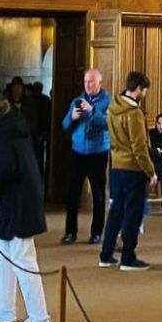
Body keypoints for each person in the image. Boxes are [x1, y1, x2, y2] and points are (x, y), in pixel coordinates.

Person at [0, 94, 50, 322]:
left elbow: (5, 169)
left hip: (19, 202)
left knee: (23, 258)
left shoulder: (0, 134)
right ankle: (6, 308)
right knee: (3, 252)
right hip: (19, 199)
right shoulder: (18, 126)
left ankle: (39, 318)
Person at [100, 71, 154, 271]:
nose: (145, 95)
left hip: (116, 165)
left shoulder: (113, 107)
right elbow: (139, 147)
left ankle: (106, 255)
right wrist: (150, 171)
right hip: (133, 169)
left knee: (116, 211)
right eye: (145, 91)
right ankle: (128, 258)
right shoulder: (134, 113)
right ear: (138, 89)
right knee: (133, 214)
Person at [61, 69, 110, 245]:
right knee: (72, 194)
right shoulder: (77, 100)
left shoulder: (108, 101)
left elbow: (107, 123)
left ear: (99, 83)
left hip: (98, 153)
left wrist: (91, 111)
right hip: (77, 152)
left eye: (91, 82)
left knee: (98, 195)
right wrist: (72, 117)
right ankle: (70, 232)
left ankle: (96, 233)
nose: (88, 85)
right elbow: (65, 125)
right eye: (86, 81)